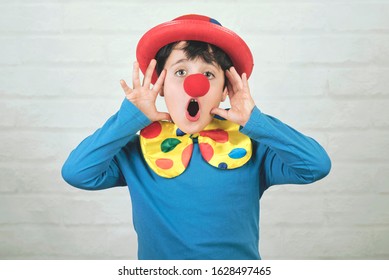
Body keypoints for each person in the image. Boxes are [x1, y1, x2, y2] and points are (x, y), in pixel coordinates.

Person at [62, 14, 331, 260]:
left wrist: (255, 121)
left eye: (209, 74)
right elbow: (77, 173)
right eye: (180, 72)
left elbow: (315, 166)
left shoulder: (252, 149)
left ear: (225, 90)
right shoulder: (136, 152)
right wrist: (129, 119)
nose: (195, 84)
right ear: (161, 86)